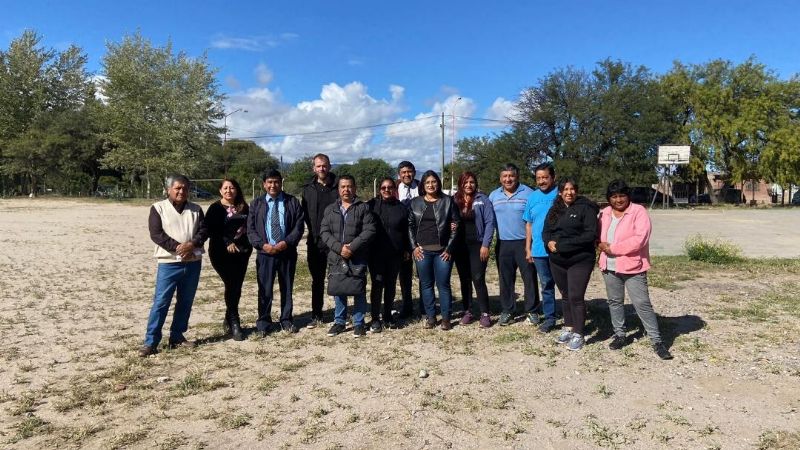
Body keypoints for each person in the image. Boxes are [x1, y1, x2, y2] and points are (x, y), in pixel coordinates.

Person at [598, 180, 673, 360]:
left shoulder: (638, 211)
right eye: (614, 196)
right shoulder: (604, 213)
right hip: (609, 266)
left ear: (628, 196)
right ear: (609, 198)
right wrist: (598, 244)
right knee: (615, 301)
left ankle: (657, 341)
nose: (618, 200)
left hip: (633, 266)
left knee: (642, 303)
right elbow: (597, 234)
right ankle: (620, 334)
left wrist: (613, 248)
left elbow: (640, 239)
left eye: (622, 196)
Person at [139, 175, 208, 357]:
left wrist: (191, 245)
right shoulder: (158, 208)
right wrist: (179, 248)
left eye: (185, 188)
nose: (181, 191)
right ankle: (151, 342)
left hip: (192, 262)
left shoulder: (196, 209)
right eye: (177, 188)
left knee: (186, 301)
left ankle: (177, 336)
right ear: (168, 189)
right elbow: (156, 234)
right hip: (169, 263)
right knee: (161, 302)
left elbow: (203, 231)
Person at [542, 178, 599, 351]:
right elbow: (546, 231)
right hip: (558, 260)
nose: (569, 192)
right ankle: (569, 327)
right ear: (560, 192)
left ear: (577, 191)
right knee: (565, 295)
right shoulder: (555, 209)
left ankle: (578, 333)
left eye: (572, 189)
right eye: (565, 189)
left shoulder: (586, 208)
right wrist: (548, 242)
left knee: (576, 296)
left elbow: (589, 235)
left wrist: (561, 245)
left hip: (580, 259)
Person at [247, 169, 305, 335]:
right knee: (265, 289)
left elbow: (298, 226)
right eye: (269, 182)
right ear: (264, 184)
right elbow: (250, 229)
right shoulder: (256, 204)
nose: (273, 185)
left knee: (287, 287)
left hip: (286, 253)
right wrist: (262, 245)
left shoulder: (292, 201)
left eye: (276, 182)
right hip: (265, 254)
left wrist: (285, 243)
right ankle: (264, 322)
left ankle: (286, 320)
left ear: (281, 183)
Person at [320, 175, 376, 338]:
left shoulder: (363, 208)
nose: (346, 190)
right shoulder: (330, 209)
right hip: (337, 256)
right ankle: (339, 321)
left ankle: (359, 323)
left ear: (355, 188)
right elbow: (324, 231)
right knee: (339, 290)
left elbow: (369, 230)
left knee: (358, 290)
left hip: (357, 256)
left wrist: (352, 247)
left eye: (349, 186)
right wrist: (339, 248)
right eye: (343, 187)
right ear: (338, 189)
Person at [488, 163, 539, 326]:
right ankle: (508, 310)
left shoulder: (529, 193)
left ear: (517, 177)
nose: (508, 179)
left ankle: (532, 311)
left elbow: (535, 218)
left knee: (529, 277)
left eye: (511, 176)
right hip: (503, 243)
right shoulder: (494, 196)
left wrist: (531, 245)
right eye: (505, 176)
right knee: (505, 279)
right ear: (500, 178)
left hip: (524, 242)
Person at [408, 170, 460, 330]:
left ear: (438, 183)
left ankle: (446, 318)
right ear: (423, 185)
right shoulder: (415, 202)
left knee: (443, 284)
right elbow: (410, 226)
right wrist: (414, 247)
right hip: (422, 251)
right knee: (426, 285)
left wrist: (449, 248)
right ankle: (430, 317)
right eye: (427, 182)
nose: (431, 185)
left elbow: (456, 225)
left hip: (442, 252)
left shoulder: (448, 201)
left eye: (434, 181)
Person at [204, 178, 252, 341]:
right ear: (220, 191)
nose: (228, 191)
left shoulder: (243, 207)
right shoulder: (215, 208)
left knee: (236, 286)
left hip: (242, 253)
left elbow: (249, 227)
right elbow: (211, 230)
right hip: (220, 253)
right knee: (231, 284)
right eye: (225, 188)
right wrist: (227, 242)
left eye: (232, 187)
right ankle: (235, 320)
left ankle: (229, 318)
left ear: (236, 190)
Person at [453, 172, 495, 328]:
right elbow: (449, 218)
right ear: (460, 184)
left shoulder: (483, 199)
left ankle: (485, 313)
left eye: (471, 182)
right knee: (464, 279)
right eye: (465, 182)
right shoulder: (454, 200)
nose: (468, 185)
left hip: (478, 245)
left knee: (478, 278)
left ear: (475, 183)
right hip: (460, 246)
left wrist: (486, 244)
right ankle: (468, 311)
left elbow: (490, 222)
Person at [367, 177, 409, 332]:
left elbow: (406, 231)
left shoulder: (401, 208)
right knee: (377, 284)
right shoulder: (371, 205)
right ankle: (375, 318)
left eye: (390, 187)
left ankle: (387, 316)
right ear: (379, 190)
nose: (386, 190)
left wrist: (407, 249)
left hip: (395, 254)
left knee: (391, 285)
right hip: (375, 254)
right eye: (383, 187)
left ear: (395, 189)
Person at [301, 153, 338, 327]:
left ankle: (340, 314)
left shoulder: (338, 186)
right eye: (318, 166)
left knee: (338, 277)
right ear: (314, 168)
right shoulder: (308, 189)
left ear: (329, 166)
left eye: (324, 165)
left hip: (335, 242)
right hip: (315, 242)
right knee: (317, 280)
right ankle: (317, 314)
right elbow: (304, 214)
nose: (321, 168)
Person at [523, 163, 560, 333]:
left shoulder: (561, 194)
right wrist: (528, 248)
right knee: (546, 284)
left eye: (545, 177)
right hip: (539, 250)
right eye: (538, 178)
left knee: (565, 284)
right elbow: (529, 224)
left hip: (559, 249)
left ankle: (572, 317)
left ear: (553, 177)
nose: (541, 181)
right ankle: (550, 318)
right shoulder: (532, 197)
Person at [395, 160, 420, 319]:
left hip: (422, 236)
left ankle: (425, 306)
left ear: (414, 172)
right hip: (403, 237)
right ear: (399, 174)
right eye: (403, 172)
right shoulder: (393, 188)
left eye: (409, 171)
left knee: (424, 273)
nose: (406, 174)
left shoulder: (423, 186)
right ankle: (407, 305)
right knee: (405, 275)